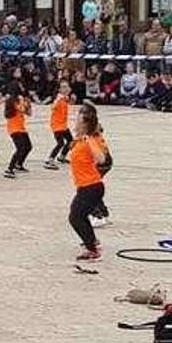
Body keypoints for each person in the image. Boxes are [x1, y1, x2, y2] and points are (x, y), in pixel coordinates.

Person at [67, 104, 108, 262]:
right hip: (85, 185)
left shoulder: (92, 139)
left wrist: (88, 138)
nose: (75, 122)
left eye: (78, 120)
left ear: (85, 123)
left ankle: (92, 249)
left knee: (75, 217)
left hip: (91, 186)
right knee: (79, 215)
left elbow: (101, 159)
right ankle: (92, 242)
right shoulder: (81, 138)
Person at [43, 81, 74, 169]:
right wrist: (57, 101)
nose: (66, 88)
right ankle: (50, 160)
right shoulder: (59, 98)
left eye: (67, 86)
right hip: (57, 125)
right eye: (64, 87)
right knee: (60, 143)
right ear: (59, 89)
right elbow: (53, 106)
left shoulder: (65, 98)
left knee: (70, 141)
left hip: (63, 124)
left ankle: (62, 157)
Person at [3, 93, 33, 178]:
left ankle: (19, 164)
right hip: (14, 129)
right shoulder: (15, 105)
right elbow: (22, 108)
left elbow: (29, 114)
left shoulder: (19, 104)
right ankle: (9, 169)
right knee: (20, 148)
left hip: (21, 128)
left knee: (28, 147)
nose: (22, 100)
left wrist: (29, 105)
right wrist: (25, 104)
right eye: (21, 100)